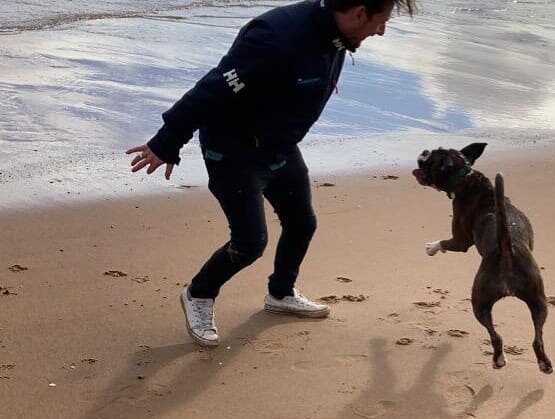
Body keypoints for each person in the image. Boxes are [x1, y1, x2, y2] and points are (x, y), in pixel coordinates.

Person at [126, 0, 415, 347]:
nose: (380, 31)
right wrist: (167, 141)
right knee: (250, 243)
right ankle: (199, 294)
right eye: (380, 22)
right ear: (358, 13)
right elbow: (213, 88)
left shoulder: (335, 36)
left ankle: (280, 294)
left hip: (279, 147)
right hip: (233, 151)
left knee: (302, 223)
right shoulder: (278, 36)